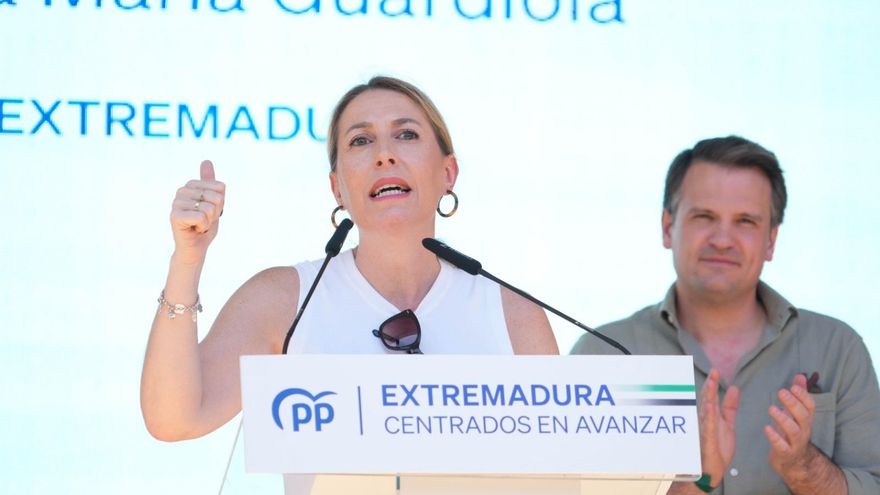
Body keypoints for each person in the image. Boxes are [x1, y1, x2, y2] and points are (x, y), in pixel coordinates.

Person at [140, 76, 559, 444]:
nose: (384, 155)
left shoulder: (514, 314)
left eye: (407, 135)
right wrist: (188, 260)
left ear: (448, 173)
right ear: (337, 188)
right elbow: (175, 420)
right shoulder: (284, 300)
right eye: (361, 140)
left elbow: (562, 467)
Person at [571, 136, 880, 494]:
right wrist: (698, 480)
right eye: (705, 216)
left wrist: (803, 467)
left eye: (745, 221)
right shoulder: (603, 355)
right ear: (668, 227)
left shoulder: (836, 349)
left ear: (770, 241)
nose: (722, 239)